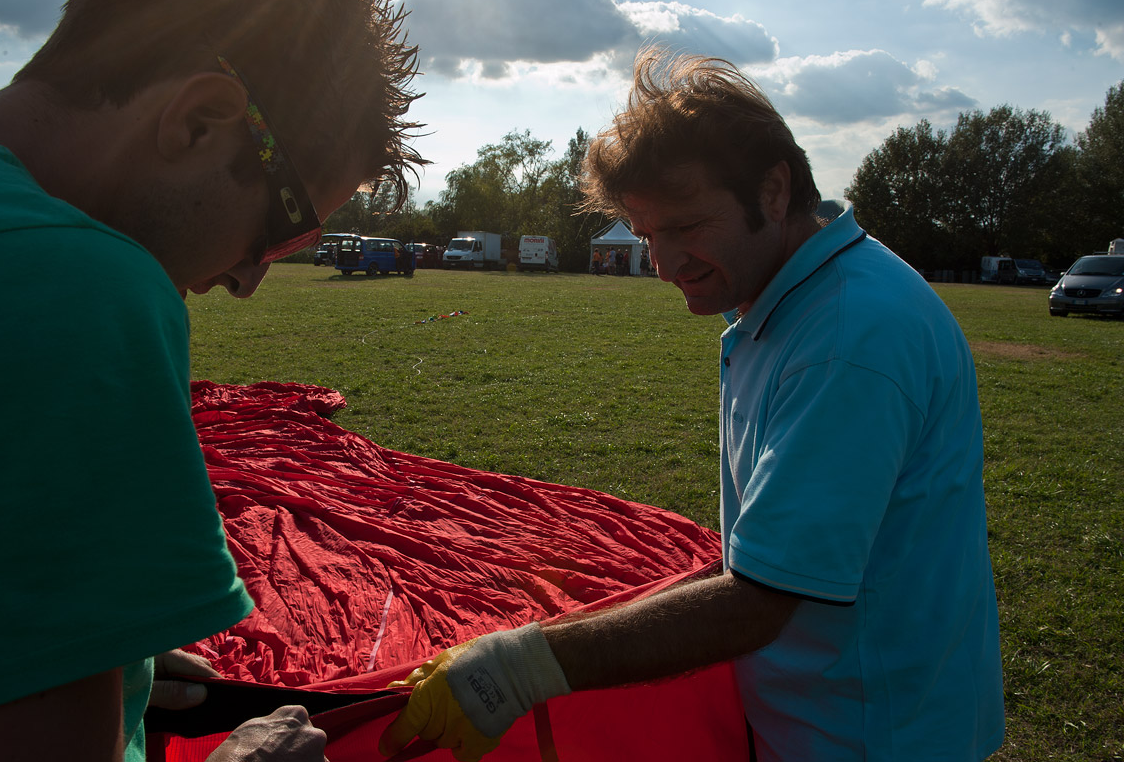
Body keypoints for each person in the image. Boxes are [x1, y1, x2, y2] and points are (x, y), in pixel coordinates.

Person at [377, 47, 1004, 761]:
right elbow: (766, 556)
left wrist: (514, 669)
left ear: (773, 190)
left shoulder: (847, 336)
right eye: (647, 235)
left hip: (870, 734)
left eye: (685, 226)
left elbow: (758, 600)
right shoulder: (794, 302)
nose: (664, 264)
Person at [0, 0, 424, 760]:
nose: (249, 278)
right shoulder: (73, 286)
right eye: (283, 228)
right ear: (200, 120)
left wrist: (98, 668)